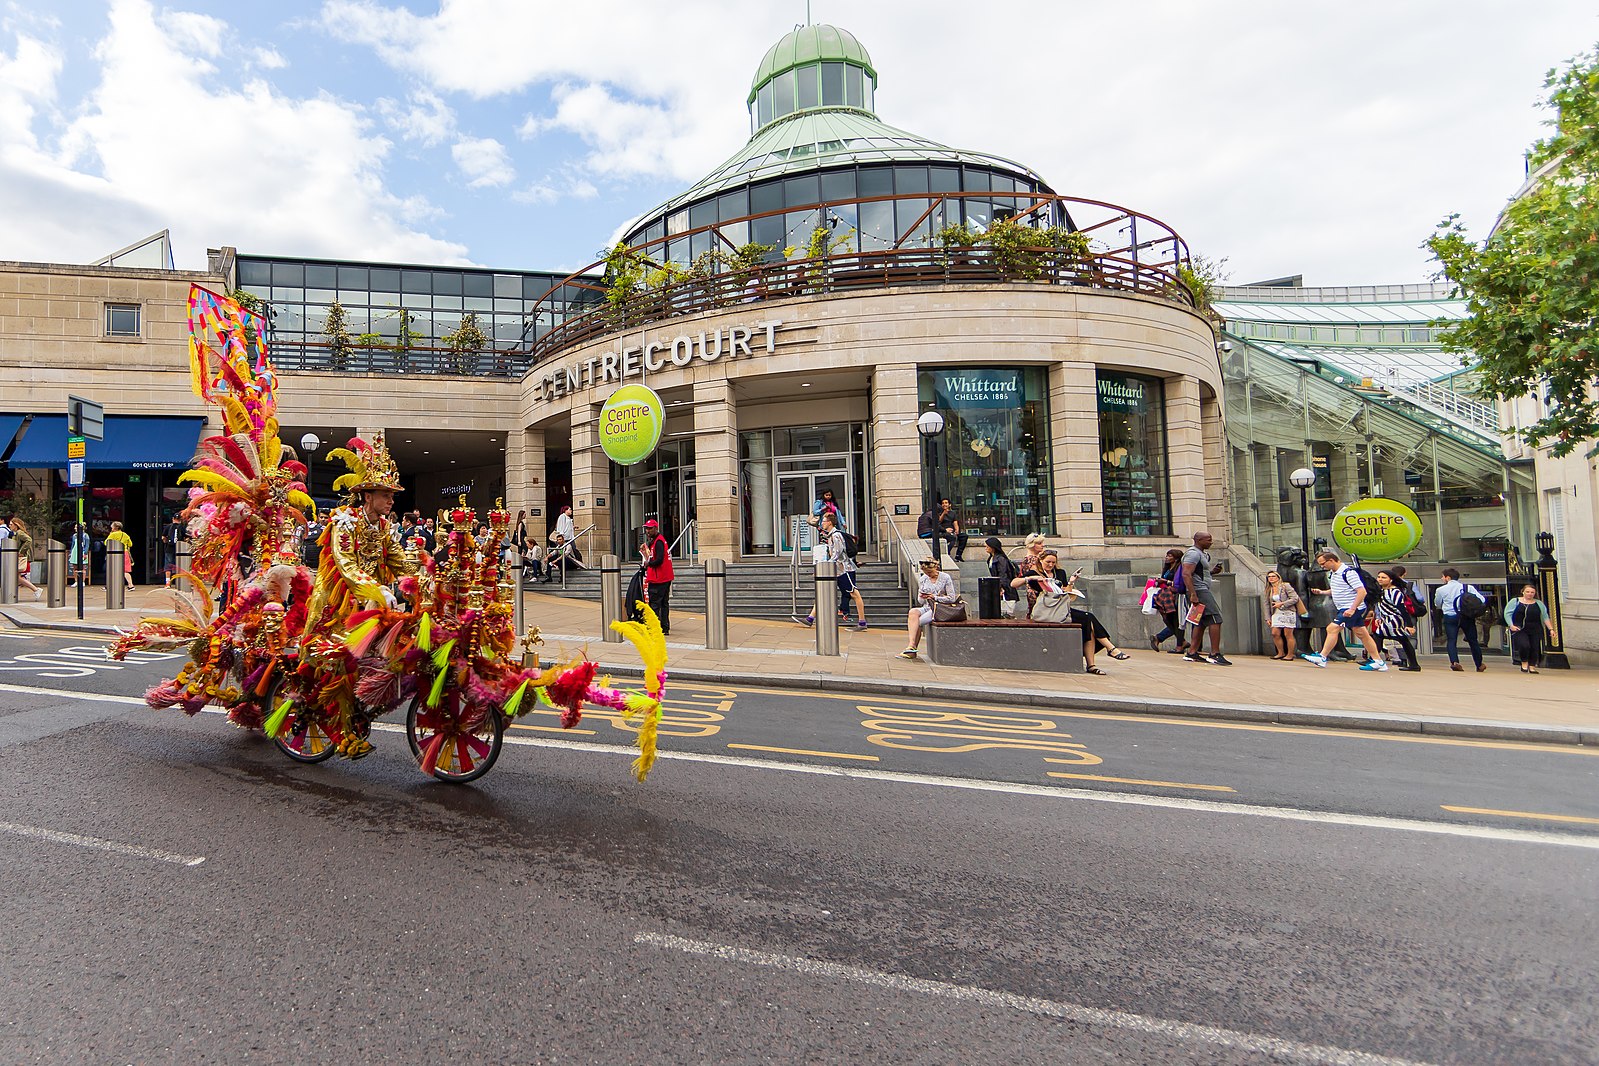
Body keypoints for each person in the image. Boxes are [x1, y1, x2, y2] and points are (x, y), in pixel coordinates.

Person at [304, 432, 419, 759]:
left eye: (392, 495)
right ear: (367, 496)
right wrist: (375, 588)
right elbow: (344, 562)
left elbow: (399, 559)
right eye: (386, 494)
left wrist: (427, 574)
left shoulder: (383, 528)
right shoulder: (345, 521)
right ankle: (341, 731)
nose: (392, 501)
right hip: (337, 605)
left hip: (373, 605)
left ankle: (369, 698)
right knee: (343, 660)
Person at [1303, 548, 1385, 670]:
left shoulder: (1348, 572)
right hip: (1346, 608)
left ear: (1331, 560)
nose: (1322, 567)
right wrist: (1322, 592)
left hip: (1350, 608)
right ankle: (1378, 661)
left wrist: (1352, 609)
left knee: (1332, 628)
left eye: (1323, 564)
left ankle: (1322, 656)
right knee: (1362, 634)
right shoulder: (1334, 573)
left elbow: (1361, 591)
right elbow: (1339, 590)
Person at [804, 511, 868, 630]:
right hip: (836, 570)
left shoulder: (836, 535)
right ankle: (810, 619)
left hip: (844, 570)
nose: (822, 523)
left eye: (823, 521)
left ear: (829, 522)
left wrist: (825, 566)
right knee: (823, 591)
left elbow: (837, 553)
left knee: (854, 593)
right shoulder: (830, 535)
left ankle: (862, 622)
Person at [1180, 531, 1231, 666]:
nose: (1211, 542)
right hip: (1199, 591)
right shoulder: (1193, 553)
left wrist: (1213, 572)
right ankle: (1214, 654)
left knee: (1200, 621)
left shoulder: (1202, 554)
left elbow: (1199, 573)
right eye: (1208, 540)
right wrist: (1193, 594)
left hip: (1200, 589)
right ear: (1199, 540)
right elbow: (1186, 574)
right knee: (1215, 618)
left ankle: (1192, 652)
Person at [900, 557, 958, 659]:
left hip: (939, 608)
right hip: (927, 606)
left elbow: (952, 598)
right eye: (926, 573)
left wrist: (935, 597)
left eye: (930, 573)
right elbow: (920, 601)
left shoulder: (945, 577)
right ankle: (911, 646)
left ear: (936, 568)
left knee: (918, 622)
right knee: (913, 612)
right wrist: (921, 596)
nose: (928, 575)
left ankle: (912, 649)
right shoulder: (923, 579)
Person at [1433, 567, 1487, 673]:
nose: (1442, 578)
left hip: (1450, 616)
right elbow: (1482, 599)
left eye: (1442, 577)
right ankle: (1479, 664)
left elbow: (1437, 603)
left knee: (1451, 640)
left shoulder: (1441, 589)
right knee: (1473, 640)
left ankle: (1454, 662)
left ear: (1447, 578)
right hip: (1466, 616)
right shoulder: (1468, 587)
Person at [1373, 569, 1420, 671]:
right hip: (1387, 620)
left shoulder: (1395, 592)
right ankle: (1414, 664)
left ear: (1391, 580)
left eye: (1383, 577)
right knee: (1381, 637)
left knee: (1380, 636)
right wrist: (1379, 617)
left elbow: (1403, 609)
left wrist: (1409, 625)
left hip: (1394, 620)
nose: (1380, 579)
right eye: (1379, 577)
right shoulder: (1383, 591)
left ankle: (1375, 660)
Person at [1505, 582, 1556, 674]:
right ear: (1523, 592)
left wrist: (1551, 629)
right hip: (1519, 628)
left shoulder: (1539, 604)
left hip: (1535, 628)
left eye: (1532, 592)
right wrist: (1511, 625)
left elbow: (1545, 616)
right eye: (1527, 592)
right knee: (1524, 645)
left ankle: (1532, 666)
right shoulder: (1515, 601)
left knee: (1534, 647)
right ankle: (1524, 662)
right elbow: (1507, 614)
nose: (1530, 594)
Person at [1149, 548, 1188, 654]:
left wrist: (1166, 581)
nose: (1167, 557)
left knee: (1176, 620)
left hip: (1175, 596)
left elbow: (1179, 583)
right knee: (1167, 619)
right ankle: (1181, 642)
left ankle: (1179, 644)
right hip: (1165, 596)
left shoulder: (1179, 568)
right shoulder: (1167, 568)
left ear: (1176, 558)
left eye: (1170, 556)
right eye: (1167, 555)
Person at [640, 517, 672, 635]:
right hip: (664, 577)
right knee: (664, 603)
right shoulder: (656, 541)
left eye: (650, 529)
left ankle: (655, 628)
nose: (647, 531)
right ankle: (664, 628)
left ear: (655, 528)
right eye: (646, 529)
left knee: (655, 604)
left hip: (659, 578)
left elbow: (658, 560)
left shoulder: (658, 541)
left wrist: (648, 564)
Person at [1265, 570, 1302, 660]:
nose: (1271, 578)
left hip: (1288, 611)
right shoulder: (1269, 589)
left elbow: (1294, 598)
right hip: (1276, 612)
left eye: (1273, 576)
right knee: (1275, 633)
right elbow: (1266, 603)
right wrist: (1267, 617)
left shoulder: (1285, 586)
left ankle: (1290, 654)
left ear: (1278, 577)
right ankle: (1280, 652)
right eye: (1269, 577)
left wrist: (1282, 604)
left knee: (1288, 634)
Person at [984, 536, 1020, 618]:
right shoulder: (991, 558)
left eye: (987, 546)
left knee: (1006, 612)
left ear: (993, 547)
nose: (986, 548)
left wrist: (1001, 587)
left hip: (1006, 587)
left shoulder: (1000, 559)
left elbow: (1003, 574)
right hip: (997, 585)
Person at [7, 516, 40, 601]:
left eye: (11, 524)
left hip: (21, 558)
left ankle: (36, 589)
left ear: (16, 525)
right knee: (16, 577)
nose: (9, 526)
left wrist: (21, 552)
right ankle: (11, 594)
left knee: (17, 577)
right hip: (18, 557)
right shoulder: (16, 533)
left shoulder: (19, 533)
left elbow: (29, 540)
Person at [105, 520, 135, 591]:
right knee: (125, 571)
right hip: (125, 553)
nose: (111, 528)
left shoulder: (112, 534)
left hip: (115, 553)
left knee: (113, 570)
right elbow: (130, 544)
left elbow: (106, 543)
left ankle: (110, 586)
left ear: (115, 527)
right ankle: (131, 585)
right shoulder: (125, 535)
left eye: (112, 527)